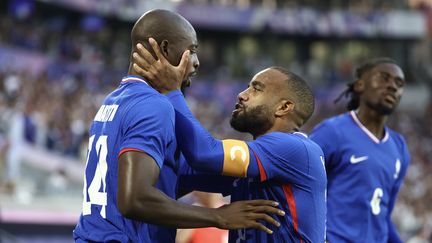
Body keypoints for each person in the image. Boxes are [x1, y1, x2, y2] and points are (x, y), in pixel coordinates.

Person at [73, 9, 284, 243]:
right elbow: (135, 199)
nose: (196, 62)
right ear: (164, 49)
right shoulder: (154, 105)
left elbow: (172, 176)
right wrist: (218, 217)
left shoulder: (114, 100)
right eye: (192, 51)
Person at [132, 40, 327, 243]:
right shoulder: (256, 164)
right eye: (247, 87)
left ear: (284, 107)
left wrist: (172, 90)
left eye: (256, 89)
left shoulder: (296, 149)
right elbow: (178, 173)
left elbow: (205, 154)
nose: (242, 95)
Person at [309, 57, 410, 242]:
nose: (393, 86)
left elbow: (384, 215)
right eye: (384, 78)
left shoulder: (400, 147)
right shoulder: (332, 132)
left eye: (399, 83)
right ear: (360, 85)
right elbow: (301, 191)